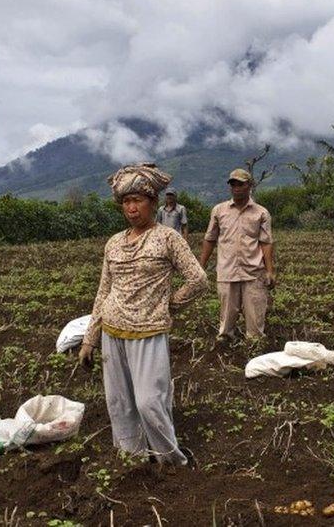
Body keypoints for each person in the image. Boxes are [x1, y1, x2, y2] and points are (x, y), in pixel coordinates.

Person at [79, 164, 207, 467]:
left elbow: (198, 280)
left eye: (137, 200)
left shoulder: (168, 238)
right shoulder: (113, 243)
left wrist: (168, 305)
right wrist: (89, 340)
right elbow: (103, 292)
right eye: (126, 202)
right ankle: (132, 458)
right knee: (119, 403)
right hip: (112, 330)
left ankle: (170, 460)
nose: (132, 208)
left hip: (149, 332)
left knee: (150, 402)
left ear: (153, 202)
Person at [199, 168, 275, 343]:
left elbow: (266, 242)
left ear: (250, 186)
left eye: (241, 184)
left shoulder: (261, 213)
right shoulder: (219, 211)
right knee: (226, 319)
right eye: (233, 184)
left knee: (255, 320)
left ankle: (254, 347)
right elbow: (210, 239)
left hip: (254, 271)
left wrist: (270, 271)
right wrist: (200, 266)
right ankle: (225, 344)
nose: (236, 188)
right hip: (227, 271)